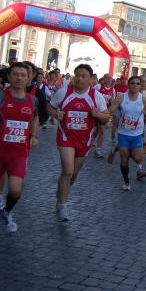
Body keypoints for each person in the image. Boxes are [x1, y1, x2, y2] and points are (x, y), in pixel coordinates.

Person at [0, 62, 39, 233]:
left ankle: (8, 212)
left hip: (19, 152)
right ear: (9, 76)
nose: (19, 77)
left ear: (28, 79)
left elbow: (35, 119)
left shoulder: (33, 101)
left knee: (15, 189)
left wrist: (34, 136)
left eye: (23, 75)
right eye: (15, 74)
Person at [48, 64, 109, 221]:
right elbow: (49, 107)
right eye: (77, 75)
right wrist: (56, 114)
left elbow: (106, 117)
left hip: (84, 140)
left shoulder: (96, 96)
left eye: (83, 76)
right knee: (67, 171)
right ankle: (62, 205)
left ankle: (62, 193)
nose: (80, 79)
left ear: (90, 79)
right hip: (65, 137)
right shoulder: (63, 92)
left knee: (73, 174)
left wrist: (98, 115)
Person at [108, 76, 146, 191]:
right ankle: (126, 182)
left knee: (138, 158)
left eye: (138, 83)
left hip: (137, 134)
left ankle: (115, 148)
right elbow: (110, 110)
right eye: (133, 83)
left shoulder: (143, 99)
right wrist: (105, 119)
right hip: (123, 133)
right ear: (129, 84)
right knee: (124, 159)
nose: (135, 85)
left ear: (140, 85)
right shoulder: (121, 98)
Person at [94, 73, 116, 158]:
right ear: (103, 78)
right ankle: (90, 143)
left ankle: (98, 150)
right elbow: (91, 96)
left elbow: (113, 103)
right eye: (107, 77)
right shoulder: (98, 87)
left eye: (110, 78)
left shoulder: (113, 90)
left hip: (104, 113)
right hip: (96, 112)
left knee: (102, 130)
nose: (109, 79)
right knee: (95, 130)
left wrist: (110, 115)